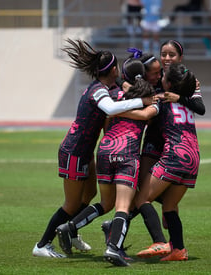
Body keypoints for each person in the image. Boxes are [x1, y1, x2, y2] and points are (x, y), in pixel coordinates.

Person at [32, 39, 154, 258]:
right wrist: (142, 101)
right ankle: (42, 244)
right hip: (74, 151)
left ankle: (73, 230)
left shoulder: (110, 87)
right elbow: (110, 107)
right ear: (113, 69)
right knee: (71, 204)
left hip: (87, 152)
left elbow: (124, 90)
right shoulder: (97, 91)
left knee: (88, 196)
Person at [55, 58, 158, 267]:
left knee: (106, 203)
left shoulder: (113, 96)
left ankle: (70, 227)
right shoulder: (151, 101)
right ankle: (113, 248)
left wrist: (118, 110)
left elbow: (107, 119)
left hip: (105, 151)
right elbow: (148, 114)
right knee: (122, 206)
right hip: (128, 152)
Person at [135, 63, 202, 261]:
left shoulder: (162, 100)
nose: (160, 78)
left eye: (163, 77)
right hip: (194, 158)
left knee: (141, 199)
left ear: (169, 84)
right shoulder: (187, 102)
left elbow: (146, 115)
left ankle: (159, 242)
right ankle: (178, 250)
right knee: (170, 206)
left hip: (174, 156)